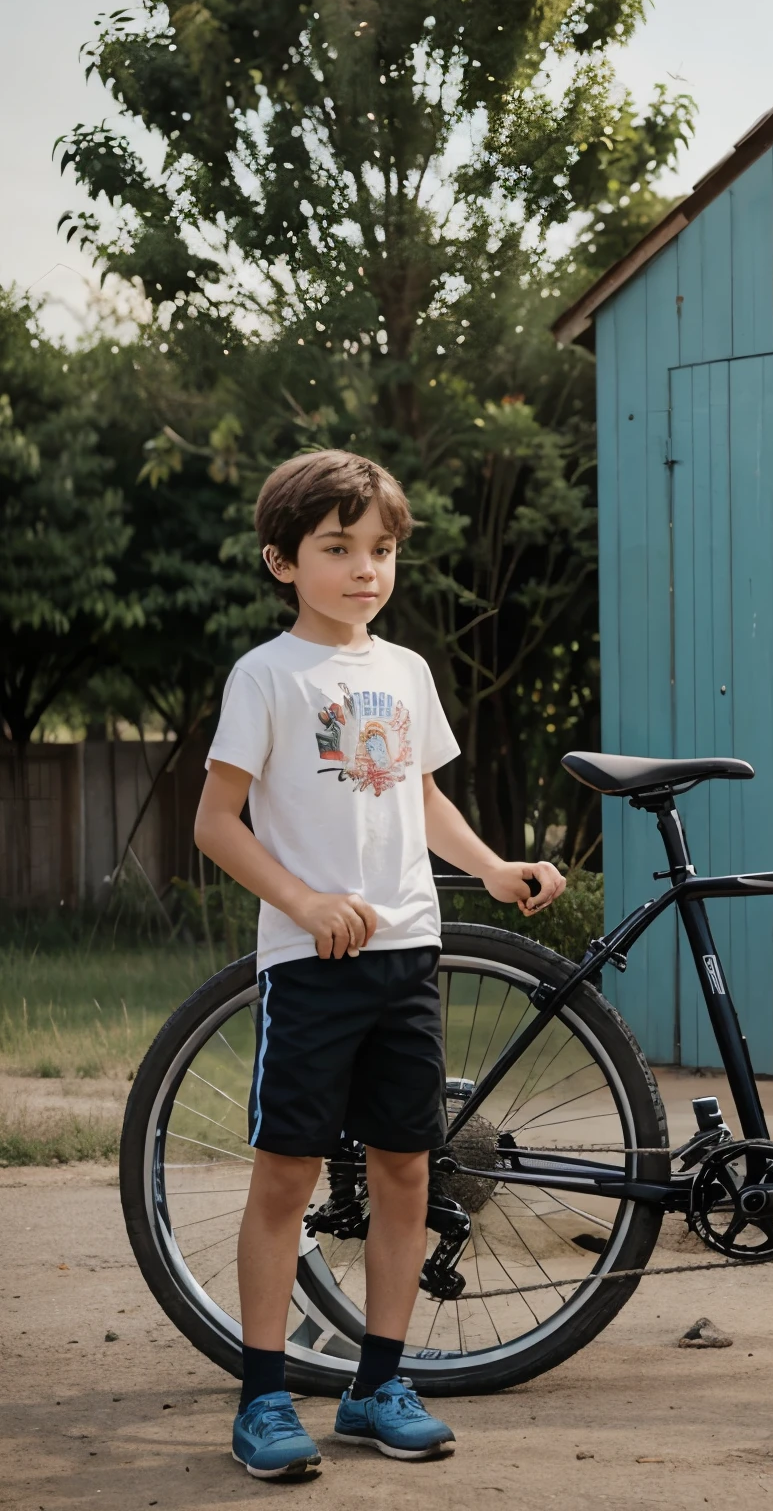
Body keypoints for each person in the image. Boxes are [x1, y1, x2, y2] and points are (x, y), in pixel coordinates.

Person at [194, 450, 566, 1479]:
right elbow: (216, 824)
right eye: (338, 548)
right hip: (312, 969)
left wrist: (491, 868)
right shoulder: (266, 677)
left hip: (409, 957)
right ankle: (264, 1397)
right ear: (283, 560)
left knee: (408, 1168)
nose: (366, 568)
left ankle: (376, 1385)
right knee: (287, 1177)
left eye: (383, 549)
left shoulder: (404, 673)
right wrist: (305, 903)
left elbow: (423, 800)